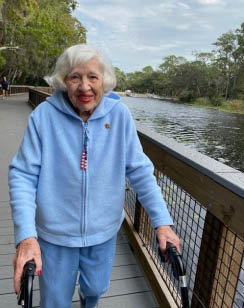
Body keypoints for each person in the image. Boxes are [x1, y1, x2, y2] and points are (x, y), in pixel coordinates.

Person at [9, 44, 180, 308]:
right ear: (64, 81)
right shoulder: (43, 116)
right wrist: (26, 236)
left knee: (97, 288)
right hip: (55, 235)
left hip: (104, 232)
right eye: (75, 76)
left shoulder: (120, 116)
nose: (84, 86)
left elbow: (140, 171)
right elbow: (22, 175)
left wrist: (162, 222)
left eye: (92, 77)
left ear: (104, 81)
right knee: (54, 301)